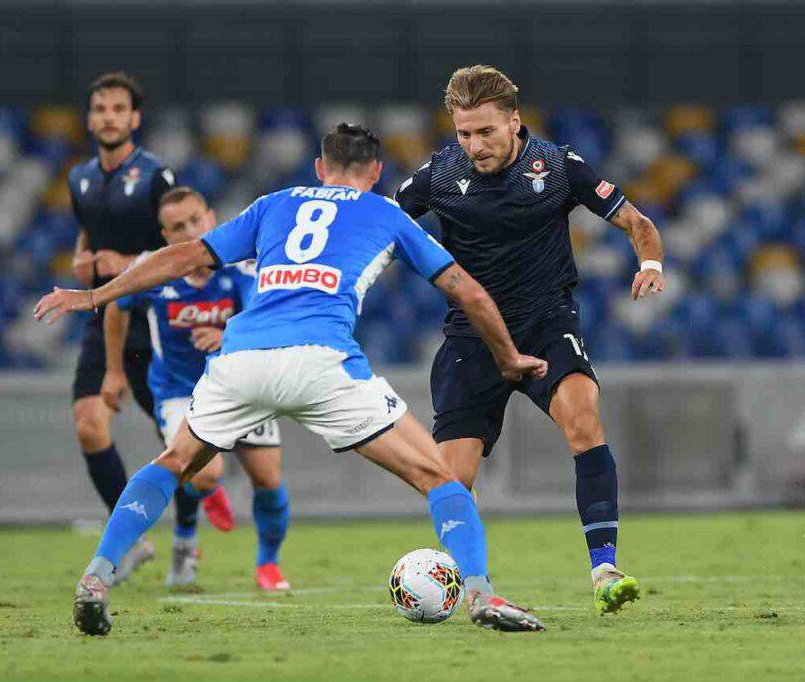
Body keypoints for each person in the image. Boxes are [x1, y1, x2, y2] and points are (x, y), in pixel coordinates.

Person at [36, 123, 550, 636]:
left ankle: (97, 576)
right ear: (375, 172)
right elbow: (469, 293)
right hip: (321, 361)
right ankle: (481, 591)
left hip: (242, 359)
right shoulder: (386, 214)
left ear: (320, 169)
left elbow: (184, 256)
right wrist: (508, 358)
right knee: (437, 477)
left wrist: (92, 297)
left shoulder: (272, 203)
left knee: (172, 463)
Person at [395, 65, 667, 613]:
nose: (474, 145)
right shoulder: (439, 175)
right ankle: (475, 590)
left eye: (486, 132)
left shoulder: (560, 167)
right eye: (464, 133)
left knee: (584, 416)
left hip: (546, 323)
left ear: (514, 121)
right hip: (471, 337)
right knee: (451, 479)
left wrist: (651, 262)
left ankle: (605, 570)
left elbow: (637, 222)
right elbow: (376, 222)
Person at [67, 71, 233, 582]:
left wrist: (124, 261)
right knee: (89, 424)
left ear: (134, 118)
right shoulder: (79, 178)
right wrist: (83, 259)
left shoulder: (156, 175)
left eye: (119, 109)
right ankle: (132, 538)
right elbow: (88, 232)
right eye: (100, 109)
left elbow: (178, 246)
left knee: (181, 446)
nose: (109, 118)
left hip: (159, 321)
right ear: (91, 117)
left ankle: (185, 538)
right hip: (111, 318)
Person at [101, 186, 291, 591]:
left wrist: (226, 333)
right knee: (204, 475)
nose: (189, 231)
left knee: (269, 481)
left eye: (195, 220)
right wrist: (113, 372)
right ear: (165, 235)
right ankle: (196, 518)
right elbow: (116, 309)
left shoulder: (241, 265)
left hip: (241, 383)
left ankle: (267, 563)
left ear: (211, 216)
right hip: (177, 391)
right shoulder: (152, 269)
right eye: (177, 227)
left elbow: (265, 315)